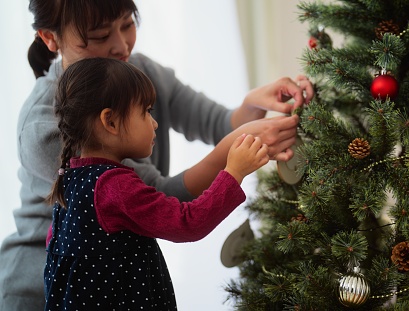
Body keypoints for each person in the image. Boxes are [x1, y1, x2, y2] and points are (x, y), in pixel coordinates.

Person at [0, 1, 314, 309]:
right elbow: (156, 203)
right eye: (99, 36)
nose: (121, 45)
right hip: (45, 293)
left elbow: (213, 120)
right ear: (49, 37)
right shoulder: (44, 127)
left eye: (126, 24)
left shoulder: (136, 72)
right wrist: (232, 160)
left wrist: (250, 108)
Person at [44, 57, 269, 309]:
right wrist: (234, 172)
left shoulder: (70, 178)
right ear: (111, 122)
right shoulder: (114, 187)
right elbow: (187, 222)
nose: (155, 123)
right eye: (146, 111)